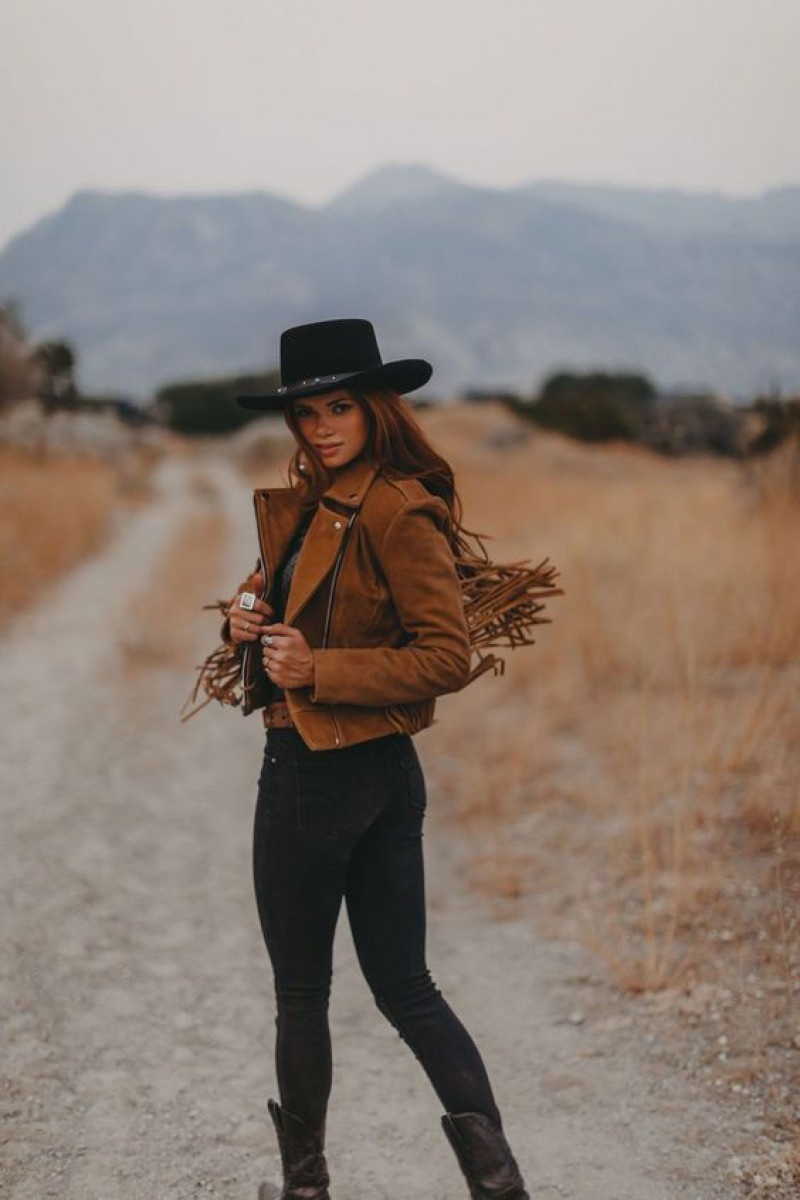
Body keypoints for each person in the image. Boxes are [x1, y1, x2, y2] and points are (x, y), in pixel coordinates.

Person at [222, 318, 531, 1199]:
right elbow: (295, 617)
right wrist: (240, 625)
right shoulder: (313, 504)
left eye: (341, 408)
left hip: (320, 779)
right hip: (383, 775)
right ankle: (500, 1187)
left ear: (376, 409)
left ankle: (307, 1191)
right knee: (407, 988)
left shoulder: (396, 508)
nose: (321, 427)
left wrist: (317, 670)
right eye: (308, 412)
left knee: (305, 995)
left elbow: (448, 656)